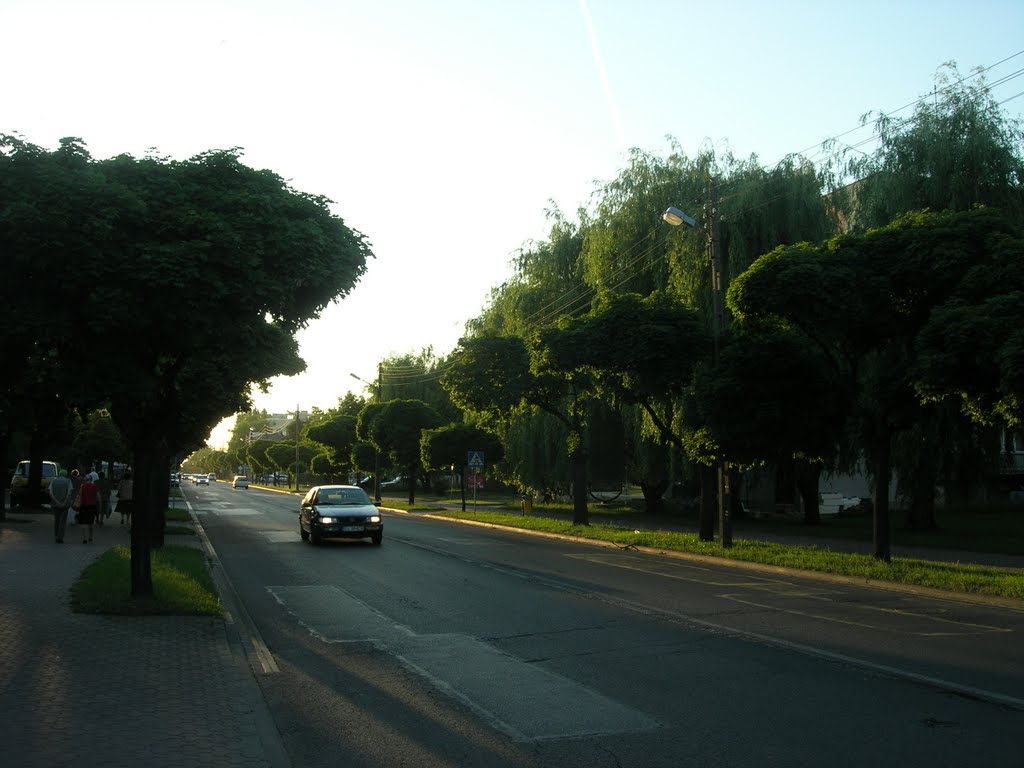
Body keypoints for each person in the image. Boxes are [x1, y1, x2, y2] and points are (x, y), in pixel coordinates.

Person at [47, 469, 75, 543]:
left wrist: (56, 501)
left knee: (57, 520)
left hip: (55, 504)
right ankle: (60, 537)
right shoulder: (68, 481)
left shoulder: (54, 481)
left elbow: (50, 492)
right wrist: (64, 502)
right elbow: (69, 493)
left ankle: (56, 536)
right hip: (65, 504)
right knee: (62, 521)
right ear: (65, 474)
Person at [77, 471, 101, 543]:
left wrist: (79, 505)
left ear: (85, 480)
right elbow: (98, 497)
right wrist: (100, 505)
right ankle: (91, 537)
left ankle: (84, 538)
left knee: (83, 522)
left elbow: (80, 496)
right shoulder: (94, 486)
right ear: (91, 480)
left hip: (84, 506)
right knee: (91, 522)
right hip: (92, 506)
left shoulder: (82, 486)